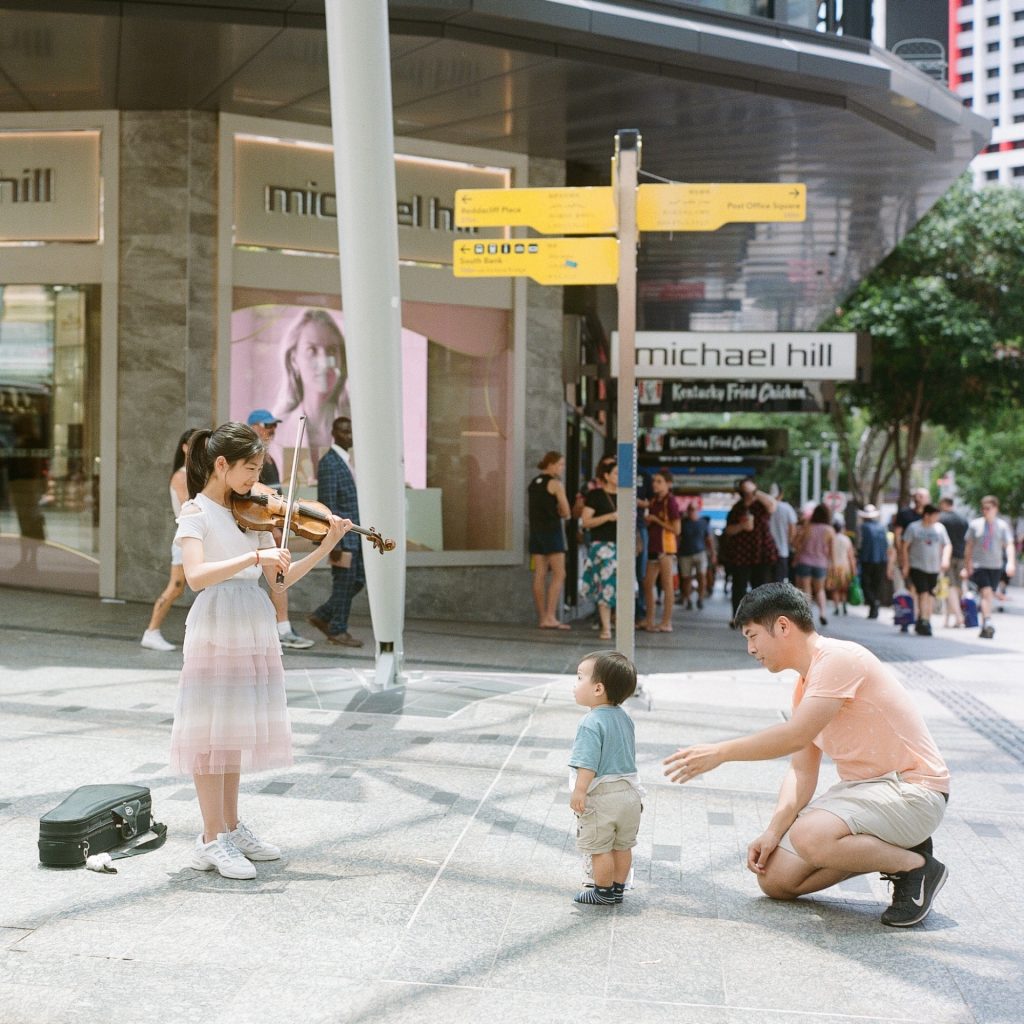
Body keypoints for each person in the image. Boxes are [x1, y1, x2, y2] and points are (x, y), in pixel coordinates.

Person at [664, 582, 950, 928]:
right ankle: (896, 849)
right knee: (776, 880)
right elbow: (801, 772)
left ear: (783, 626)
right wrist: (772, 832)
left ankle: (915, 867)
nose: (751, 649)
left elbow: (794, 735)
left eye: (753, 636)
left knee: (809, 836)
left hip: (912, 791)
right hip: (868, 794)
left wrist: (721, 752)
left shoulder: (838, 659)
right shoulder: (806, 687)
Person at [172, 422, 349, 879]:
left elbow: (280, 580)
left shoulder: (248, 514)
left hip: (250, 620)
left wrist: (325, 543)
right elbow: (195, 576)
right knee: (210, 734)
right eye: (249, 469)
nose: (256, 480)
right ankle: (211, 838)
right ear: (221, 464)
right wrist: (254, 557)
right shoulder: (197, 512)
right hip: (217, 621)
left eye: (259, 469)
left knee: (231, 731)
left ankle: (230, 828)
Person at [569, 650, 642, 906]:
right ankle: (618, 888)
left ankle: (602, 891)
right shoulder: (624, 718)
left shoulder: (590, 722)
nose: (575, 684)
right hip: (630, 794)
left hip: (602, 797)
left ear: (598, 688)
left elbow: (587, 763)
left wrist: (580, 791)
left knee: (600, 848)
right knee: (622, 846)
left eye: (579, 678)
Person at [246, 410, 314, 650]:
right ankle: (281, 628)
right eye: (267, 425)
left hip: (272, 523)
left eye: (274, 426)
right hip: (264, 526)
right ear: (254, 426)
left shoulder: (268, 456)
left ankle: (279, 627)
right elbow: (256, 494)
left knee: (278, 576)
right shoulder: (252, 458)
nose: (272, 430)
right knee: (278, 575)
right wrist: (274, 525)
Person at [273, 309, 349, 484]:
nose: (323, 362)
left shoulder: (361, 428)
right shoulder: (277, 432)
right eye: (312, 350)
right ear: (294, 360)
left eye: (331, 350)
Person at [308, 416, 366, 648]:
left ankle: (323, 615)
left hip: (354, 535)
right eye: (344, 432)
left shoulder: (347, 460)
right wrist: (334, 542)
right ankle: (338, 629)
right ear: (334, 433)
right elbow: (328, 504)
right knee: (344, 583)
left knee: (358, 580)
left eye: (351, 431)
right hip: (342, 536)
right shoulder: (330, 463)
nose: (349, 436)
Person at [141, 427, 198, 651]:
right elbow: (189, 506)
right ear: (184, 447)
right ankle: (151, 631)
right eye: (194, 444)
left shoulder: (197, 474)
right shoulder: (181, 476)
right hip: (187, 536)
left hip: (197, 536)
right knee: (176, 586)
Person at [724, 477, 778, 628]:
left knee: (761, 587)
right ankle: (738, 617)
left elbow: (773, 505)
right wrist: (741, 526)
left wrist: (755, 491)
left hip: (762, 551)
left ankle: (759, 620)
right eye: (745, 490)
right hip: (741, 553)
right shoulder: (737, 508)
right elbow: (728, 529)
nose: (748, 493)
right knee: (739, 587)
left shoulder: (762, 505)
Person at [528, 451, 572, 630]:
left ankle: (542, 618)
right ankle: (551, 615)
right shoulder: (555, 483)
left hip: (536, 531)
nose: (562, 468)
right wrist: (562, 512)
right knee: (559, 573)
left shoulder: (534, 483)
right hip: (552, 531)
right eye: (560, 464)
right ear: (551, 464)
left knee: (540, 574)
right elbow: (566, 510)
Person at [963, 495, 1017, 640]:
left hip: (996, 565)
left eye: (988, 508)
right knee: (986, 592)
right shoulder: (975, 525)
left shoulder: (1002, 526)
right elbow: (969, 546)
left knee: (988, 595)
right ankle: (987, 621)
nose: (985, 511)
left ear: (995, 509)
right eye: (983, 508)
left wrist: (1011, 562)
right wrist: (967, 565)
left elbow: (1009, 545)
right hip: (979, 565)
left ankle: (985, 623)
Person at [580, 457, 618, 642]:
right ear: (606, 475)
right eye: (616, 473)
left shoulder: (626, 496)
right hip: (602, 546)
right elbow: (585, 521)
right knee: (605, 588)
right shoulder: (596, 495)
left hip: (622, 547)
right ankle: (606, 627)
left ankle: (615, 622)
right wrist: (609, 517)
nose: (619, 477)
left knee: (623, 587)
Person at [901, 505, 951, 637]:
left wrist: (945, 559)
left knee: (930, 594)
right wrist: (905, 565)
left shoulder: (940, 528)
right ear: (926, 515)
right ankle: (924, 620)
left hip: (934, 567)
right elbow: (905, 546)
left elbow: (947, 545)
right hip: (917, 566)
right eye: (935, 515)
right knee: (923, 593)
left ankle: (925, 618)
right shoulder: (914, 527)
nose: (937, 518)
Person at [640, 470, 681, 632]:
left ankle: (666, 622)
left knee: (667, 585)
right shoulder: (654, 501)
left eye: (659, 481)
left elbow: (677, 529)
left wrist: (656, 520)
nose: (655, 484)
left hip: (666, 549)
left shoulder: (670, 502)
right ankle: (650, 620)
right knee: (648, 584)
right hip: (653, 547)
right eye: (654, 481)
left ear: (668, 484)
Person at [792, 503, 833, 626]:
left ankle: (807, 616)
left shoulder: (808, 527)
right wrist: (832, 565)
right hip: (821, 563)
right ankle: (822, 614)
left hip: (804, 561)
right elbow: (832, 551)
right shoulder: (829, 530)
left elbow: (797, 545)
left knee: (806, 590)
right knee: (820, 590)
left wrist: (796, 558)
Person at [892, 487, 930, 617]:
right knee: (911, 586)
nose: (918, 498)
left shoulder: (930, 516)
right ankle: (912, 614)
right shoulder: (905, 514)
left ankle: (922, 615)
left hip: (926, 558)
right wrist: (901, 555)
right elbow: (897, 535)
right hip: (908, 556)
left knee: (925, 589)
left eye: (921, 496)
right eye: (916, 495)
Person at [679, 503, 715, 611]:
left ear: (697, 510)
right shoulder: (683, 522)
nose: (691, 511)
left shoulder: (703, 523)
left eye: (693, 509)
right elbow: (678, 537)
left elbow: (709, 539)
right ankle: (688, 599)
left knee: (702, 576)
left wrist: (713, 553)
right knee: (686, 578)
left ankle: (700, 598)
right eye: (689, 509)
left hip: (700, 552)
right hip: (685, 554)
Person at [938, 498, 968, 628]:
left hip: (947, 556)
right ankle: (949, 618)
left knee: (950, 586)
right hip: (961, 556)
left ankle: (958, 616)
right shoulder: (963, 519)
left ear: (943, 504)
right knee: (958, 587)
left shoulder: (941, 519)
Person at [856, 504, 888, 619]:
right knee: (876, 584)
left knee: (865, 583)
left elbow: (859, 543)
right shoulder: (882, 527)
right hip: (881, 559)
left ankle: (873, 603)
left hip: (866, 559)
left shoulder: (862, 527)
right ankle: (874, 605)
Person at [827, 520, 857, 616]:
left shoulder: (831, 539)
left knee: (835, 589)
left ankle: (836, 607)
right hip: (845, 566)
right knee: (844, 588)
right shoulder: (846, 539)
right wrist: (853, 569)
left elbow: (828, 554)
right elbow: (851, 556)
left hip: (834, 566)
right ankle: (844, 605)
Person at [768, 486, 798, 583]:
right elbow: (793, 530)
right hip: (782, 551)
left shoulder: (763, 507)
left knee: (765, 584)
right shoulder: (787, 508)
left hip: (765, 553)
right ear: (781, 494)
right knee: (779, 583)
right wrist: (791, 545)